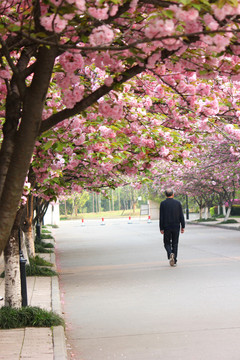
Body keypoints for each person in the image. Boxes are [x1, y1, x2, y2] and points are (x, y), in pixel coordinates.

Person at [159, 188, 185, 266]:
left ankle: (170, 253)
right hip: (176, 226)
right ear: (173, 194)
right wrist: (183, 226)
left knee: (166, 243)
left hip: (167, 227)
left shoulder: (163, 204)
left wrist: (161, 228)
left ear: (165, 195)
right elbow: (181, 215)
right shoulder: (178, 203)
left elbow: (161, 217)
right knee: (175, 243)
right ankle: (175, 260)